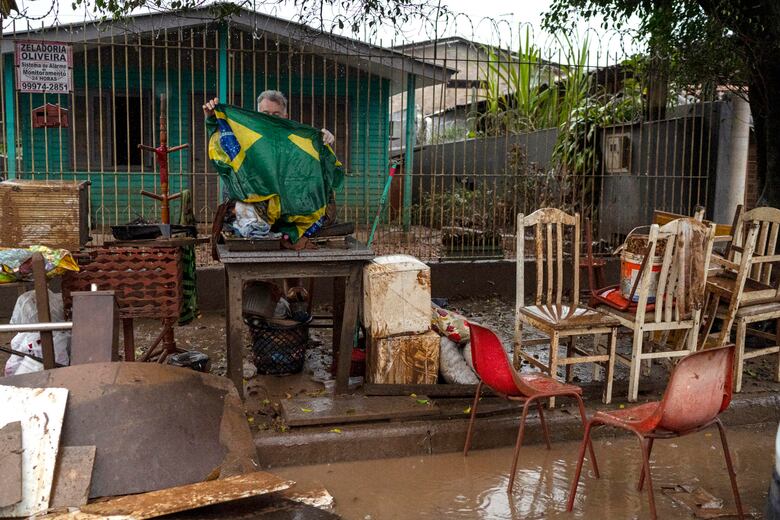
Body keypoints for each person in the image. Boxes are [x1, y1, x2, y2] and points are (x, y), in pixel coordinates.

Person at [202, 90, 335, 146]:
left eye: (275, 115)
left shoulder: (296, 139)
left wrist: (325, 138)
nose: (270, 119)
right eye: (265, 114)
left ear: (285, 116)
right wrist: (212, 119)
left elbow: (313, 150)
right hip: (251, 200)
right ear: (257, 114)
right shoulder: (244, 136)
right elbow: (223, 143)